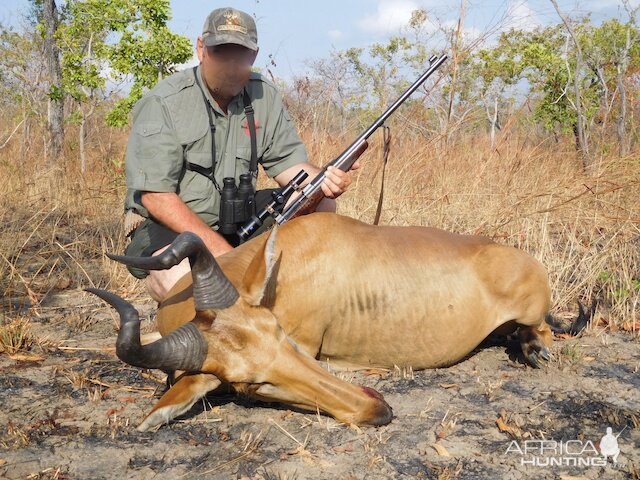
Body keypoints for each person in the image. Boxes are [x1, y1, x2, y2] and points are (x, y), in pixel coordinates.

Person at [123, 7, 358, 302]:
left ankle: (300, 301)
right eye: (221, 51)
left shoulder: (264, 95)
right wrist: (223, 254)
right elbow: (155, 196)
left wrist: (326, 181)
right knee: (176, 276)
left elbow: (290, 167)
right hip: (168, 223)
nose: (231, 64)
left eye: (241, 54)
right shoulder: (164, 101)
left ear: (254, 55)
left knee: (322, 205)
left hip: (237, 216)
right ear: (201, 48)